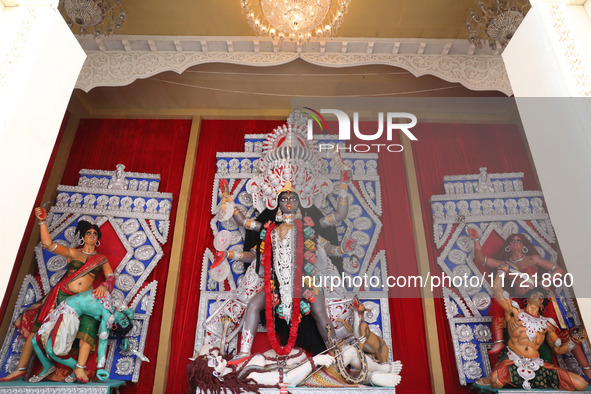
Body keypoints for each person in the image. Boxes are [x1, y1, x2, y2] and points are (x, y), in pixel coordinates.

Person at [212, 173, 356, 362]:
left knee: (321, 314)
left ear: (299, 202)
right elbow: (244, 224)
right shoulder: (269, 229)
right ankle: (243, 355)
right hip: (276, 286)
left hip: (306, 283)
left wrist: (344, 185)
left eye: (293, 198)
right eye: (284, 199)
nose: (288, 202)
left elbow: (338, 219)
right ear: (277, 204)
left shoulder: (308, 227)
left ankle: (336, 354)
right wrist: (227, 198)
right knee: (253, 305)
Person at [0, 207, 116, 382]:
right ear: (83, 236)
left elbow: (111, 276)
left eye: (95, 233)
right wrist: (42, 221)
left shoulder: (101, 259)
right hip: (61, 295)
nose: (92, 235)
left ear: (98, 238)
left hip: (83, 301)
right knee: (37, 331)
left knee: (87, 330)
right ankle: (21, 368)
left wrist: (105, 286)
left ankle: (79, 368)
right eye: (89, 233)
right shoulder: (72, 252)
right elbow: (48, 244)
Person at [468, 230, 591, 378]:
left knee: (560, 331)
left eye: (518, 240)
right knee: (498, 301)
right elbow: (481, 259)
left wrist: (546, 282)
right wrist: (476, 240)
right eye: (512, 241)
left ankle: (586, 368)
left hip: (539, 297)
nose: (515, 243)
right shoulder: (505, 264)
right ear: (508, 246)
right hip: (520, 301)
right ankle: (499, 341)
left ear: (523, 245)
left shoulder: (533, 259)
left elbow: (559, 270)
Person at [488, 266, 587, 390]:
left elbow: (558, 349)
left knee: (581, 384)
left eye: (542, 297)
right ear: (527, 298)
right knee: (496, 381)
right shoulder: (515, 312)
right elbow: (497, 290)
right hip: (514, 361)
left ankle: (533, 382)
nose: (538, 297)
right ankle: (526, 382)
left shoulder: (547, 324)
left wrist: (573, 341)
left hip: (537, 365)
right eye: (535, 294)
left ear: (542, 303)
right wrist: (501, 271)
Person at [186, 344, 402, 393]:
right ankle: (379, 372)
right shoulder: (247, 375)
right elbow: (288, 379)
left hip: (302, 366)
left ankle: (375, 373)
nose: (216, 357)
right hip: (306, 375)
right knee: (349, 353)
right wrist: (314, 362)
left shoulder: (235, 367)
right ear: (215, 373)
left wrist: (202, 357)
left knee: (347, 357)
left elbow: (206, 348)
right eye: (213, 361)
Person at [29, 289, 133, 383]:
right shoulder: (119, 305)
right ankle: (48, 366)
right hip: (61, 307)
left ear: (114, 325)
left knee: (53, 351)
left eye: (123, 323)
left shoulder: (106, 318)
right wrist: (125, 337)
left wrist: (100, 368)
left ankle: (77, 367)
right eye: (126, 320)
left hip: (70, 314)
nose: (125, 319)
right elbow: (130, 314)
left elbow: (103, 342)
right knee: (35, 341)